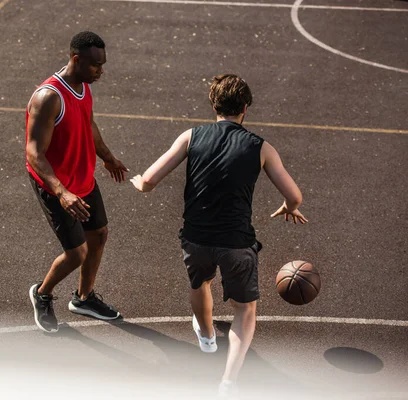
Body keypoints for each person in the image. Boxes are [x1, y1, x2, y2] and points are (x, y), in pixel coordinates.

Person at [130, 74, 307, 398]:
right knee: (245, 309)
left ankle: (208, 338)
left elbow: (150, 179)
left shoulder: (191, 136)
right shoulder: (261, 147)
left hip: (196, 237)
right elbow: (294, 196)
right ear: (245, 108)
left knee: (200, 283)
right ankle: (228, 381)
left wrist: (140, 182)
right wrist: (287, 206)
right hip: (237, 242)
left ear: (213, 105)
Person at [26, 31, 128, 333]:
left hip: (82, 178)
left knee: (98, 235)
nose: (101, 71)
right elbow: (33, 152)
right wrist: (62, 193)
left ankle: (84, 298)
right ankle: (42, 294)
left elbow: (89, 122)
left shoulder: (84, 86)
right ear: (77, 59)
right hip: (56, 186)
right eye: (96, 65)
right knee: (76, 253)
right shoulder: (49, 98)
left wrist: (107, 157)